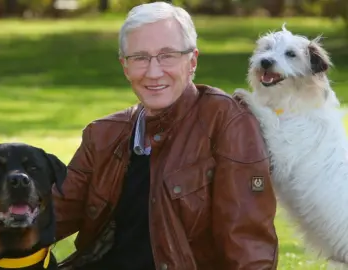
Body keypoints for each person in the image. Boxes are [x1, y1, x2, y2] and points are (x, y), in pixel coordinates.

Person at [53, 2, 279, 270]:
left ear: (192, 61)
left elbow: (248, 245)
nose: (153, 71)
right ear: (125, 67)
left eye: (167, 55)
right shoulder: (102, 134)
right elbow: (48, 217)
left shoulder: (225, 122)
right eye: (139, 58)